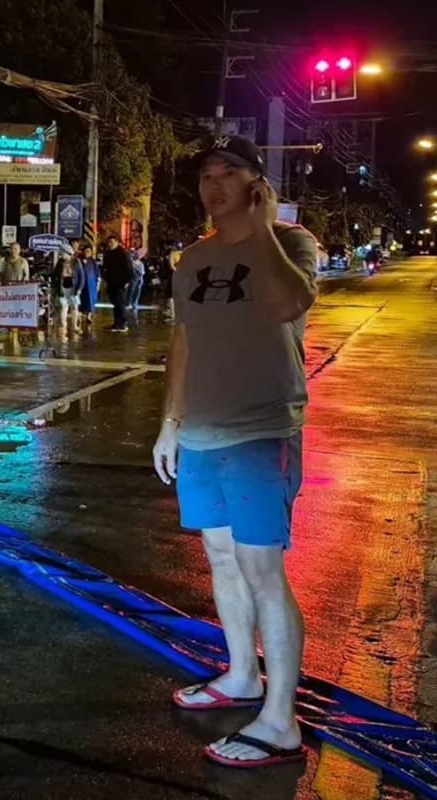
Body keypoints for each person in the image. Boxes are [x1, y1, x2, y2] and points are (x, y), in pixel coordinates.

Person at [152, 135, 318, 769]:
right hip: (201, 433)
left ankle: (280, 722)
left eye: (230, 173)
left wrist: (263, 225)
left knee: (262, 572)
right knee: (221, 560)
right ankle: (242, 678)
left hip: (259, 431)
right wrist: (171, 422)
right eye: (207, 175)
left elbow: (285, 303)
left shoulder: (290, 246)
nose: (215, 184)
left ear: (255, 181)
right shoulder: (191, 259)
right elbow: (185, 343)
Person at [102, 235, 133, 332]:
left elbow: (129, 268)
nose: (110, 244)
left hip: (120, 282)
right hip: (111, 282)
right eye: (109, 242)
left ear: (117, 242)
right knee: (115, 303)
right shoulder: (108, 253)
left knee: (120, 303)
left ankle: (123, 324)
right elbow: (105, 267)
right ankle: (116, 323)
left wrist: (126, 281)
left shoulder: (123, 253)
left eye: (112, 242)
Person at [54, 250, 85, 337]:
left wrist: (80, 288)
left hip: (73, 287)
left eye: (63, 253)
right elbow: (54, 275)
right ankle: (63, 325)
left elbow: (81, 276)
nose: (61, 255)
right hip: (63, 287)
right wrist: (55, 286)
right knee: (63, 306)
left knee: (74, 306)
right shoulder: (60, 263)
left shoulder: (76, 262)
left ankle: (74, 326)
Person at [78, 244, 101, 333]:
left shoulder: (93, 262)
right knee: (81, 300)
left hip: (91, 285)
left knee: (91, 300)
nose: (87, 253)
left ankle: (89, 316)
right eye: (86, 251)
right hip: (82, 284)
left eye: (89, 251)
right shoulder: (79, 261)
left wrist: (98, 283)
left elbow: (97, 273)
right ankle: (80, 315)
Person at [128, 249, 146, 313]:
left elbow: (143, 273)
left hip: (139, 279)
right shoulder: (131, 263)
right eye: (134, 254)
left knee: (137, 292)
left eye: (137, 254)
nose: (136, 255)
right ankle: (129, 303)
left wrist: (141, 280)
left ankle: (135, 303)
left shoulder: (141, 263)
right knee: (131, 291)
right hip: (133, 279)